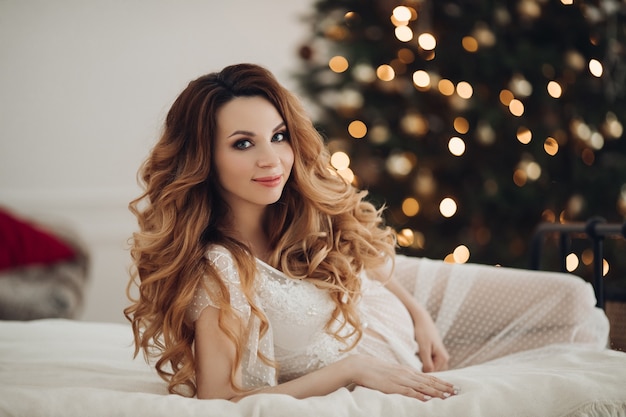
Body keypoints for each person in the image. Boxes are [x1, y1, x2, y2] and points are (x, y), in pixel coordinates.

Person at [124, 63, 609, 402]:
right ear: (203, 159)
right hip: (386, 354)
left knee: (571, 299)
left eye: (278, 136)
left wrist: (418, 311)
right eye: (242, 144)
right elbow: (221, 397)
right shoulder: (220, 270)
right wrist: (350, 370)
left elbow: (359, 254)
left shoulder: (295, 204)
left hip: (398, 294)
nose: (271, 159)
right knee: (572, 340)